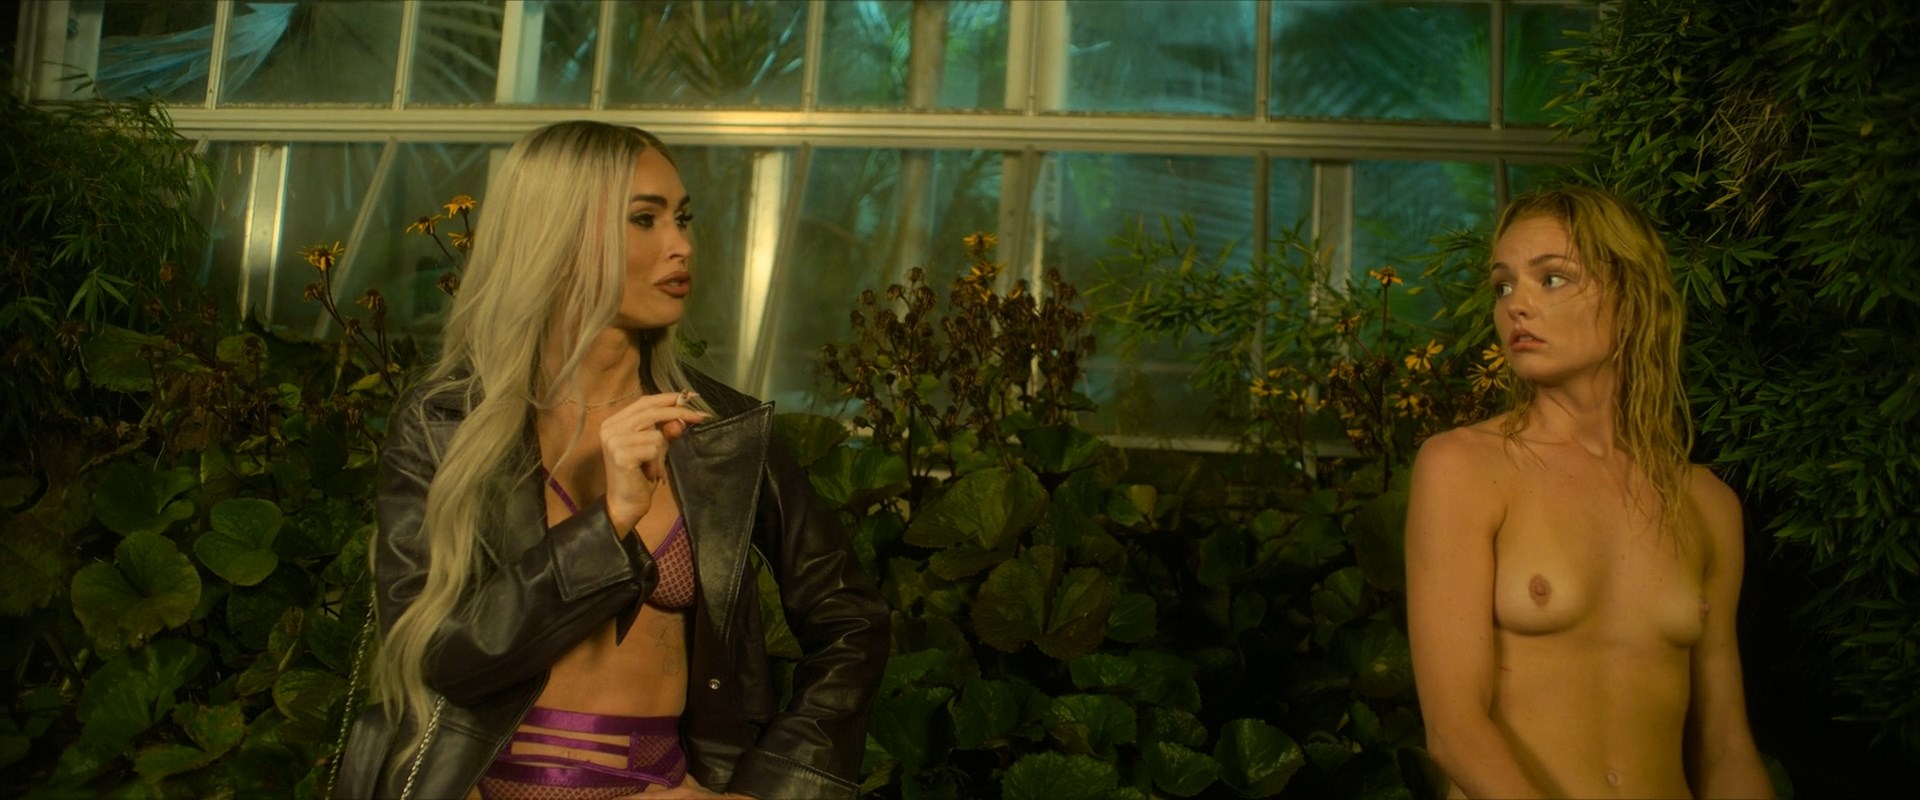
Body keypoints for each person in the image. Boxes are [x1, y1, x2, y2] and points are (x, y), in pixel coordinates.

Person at [333, 121, 889, 800]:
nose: (681, 245)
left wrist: (768, 788)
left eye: (683, 218)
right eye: (644, 219)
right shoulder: (446, 426)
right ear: (559, 237)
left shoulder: (722, 432)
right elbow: (440, 659)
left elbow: (851, 621)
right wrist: (611, 520)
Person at [1405, 186, 1773, 799]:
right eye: (1503, 286)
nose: (1517, 305)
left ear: (1631, 297)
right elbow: (1455, 730)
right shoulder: (1464, 468)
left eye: (1552, 279)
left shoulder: (1707, 504)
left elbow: (1725, 746)